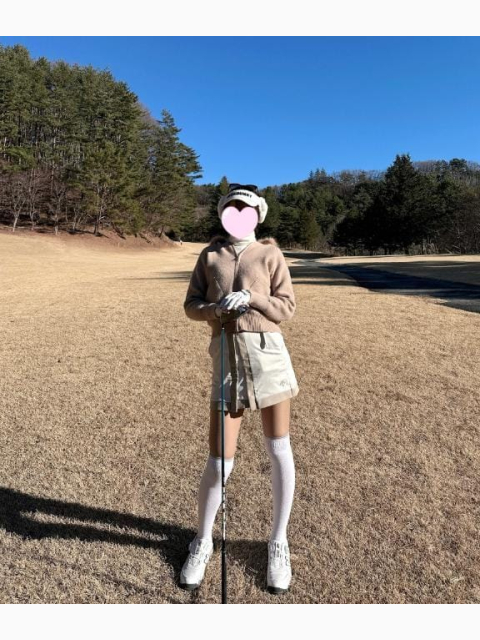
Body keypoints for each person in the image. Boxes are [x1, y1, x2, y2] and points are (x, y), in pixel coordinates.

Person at [180, 184, 299, 595]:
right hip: (226, 358)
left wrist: (254, 299)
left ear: (258, 214)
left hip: (269, 357)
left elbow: (287, 307)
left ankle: (278, 542)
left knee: (278, 448)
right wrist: (216, 309)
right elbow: (191, 304)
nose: (238, 213)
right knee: (219, 461)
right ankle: (202, 540)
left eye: (246, 208)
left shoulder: (270, 254)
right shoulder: (209, 255)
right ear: (222, 212)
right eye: (231, 207)